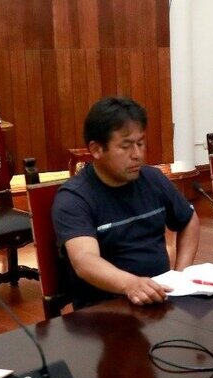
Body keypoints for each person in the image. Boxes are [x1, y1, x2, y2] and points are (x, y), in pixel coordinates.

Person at [53, 96, 200, 308]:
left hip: (159, 299)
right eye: (126, 146)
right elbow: (85, 260)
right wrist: (130, 285)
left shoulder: (153, 179)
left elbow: (188, 220)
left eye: (140, 143)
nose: (137, 154)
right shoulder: (74, 198)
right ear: (96, 149)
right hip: (104, 312)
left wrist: (179, 276)